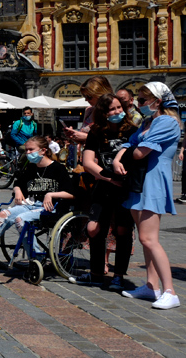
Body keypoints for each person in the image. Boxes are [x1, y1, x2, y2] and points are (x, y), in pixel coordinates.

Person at [112, 82, 181, 309]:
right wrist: (117, 157)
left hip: (152, 181)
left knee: (148, 239)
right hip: (139, 180)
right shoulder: (150, 121)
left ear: (157, 101)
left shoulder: (167, 122)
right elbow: (130, 144)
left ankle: (170, 290)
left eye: (142, 100)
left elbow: (139, 152)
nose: (138, 104)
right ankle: (152, 286)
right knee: (145, 239)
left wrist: (123, 153)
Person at [0, 136, 75, 265]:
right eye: (26, 150)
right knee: (2, 215)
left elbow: (71, 194)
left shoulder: (58, 168)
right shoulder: (31, 168)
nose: (28, 153)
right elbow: (18, 182)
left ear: (43, 150)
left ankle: (36, 257)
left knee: (21, 219)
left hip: (48, 208)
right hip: (29, 204)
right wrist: (18, 190)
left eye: (31, 150)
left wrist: (51, 194)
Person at [74, 93, 137, 289]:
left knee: (122, 230)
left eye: (119, 107)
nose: (117, 111)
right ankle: (96, 273)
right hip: (103, 186)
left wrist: (122, 180)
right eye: (111, 109)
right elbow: (88, 162)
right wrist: (108, 178)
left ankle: (118, 275)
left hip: (125, 188)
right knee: (93, 228)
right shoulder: (96, 132)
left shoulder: (132, 130)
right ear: (103, 113)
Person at [65, 76, 114, 143]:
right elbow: (82, 138)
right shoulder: (89, 110)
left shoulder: (112, 111)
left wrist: (86, 137)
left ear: (100, 94)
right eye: (85, 96)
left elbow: (112, 139)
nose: (86, 99)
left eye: (89, 96)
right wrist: (74, 135)